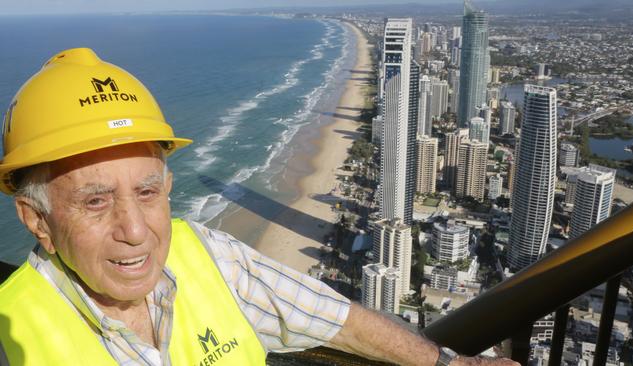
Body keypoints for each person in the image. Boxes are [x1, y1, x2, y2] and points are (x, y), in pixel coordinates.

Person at [0, 48, 517, 366]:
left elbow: (338, 319)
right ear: (36, 219)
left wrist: (445, 363)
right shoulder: (11, 334)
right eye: (96, 201)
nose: (136, 231)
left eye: (147, 192)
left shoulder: (208, 256)